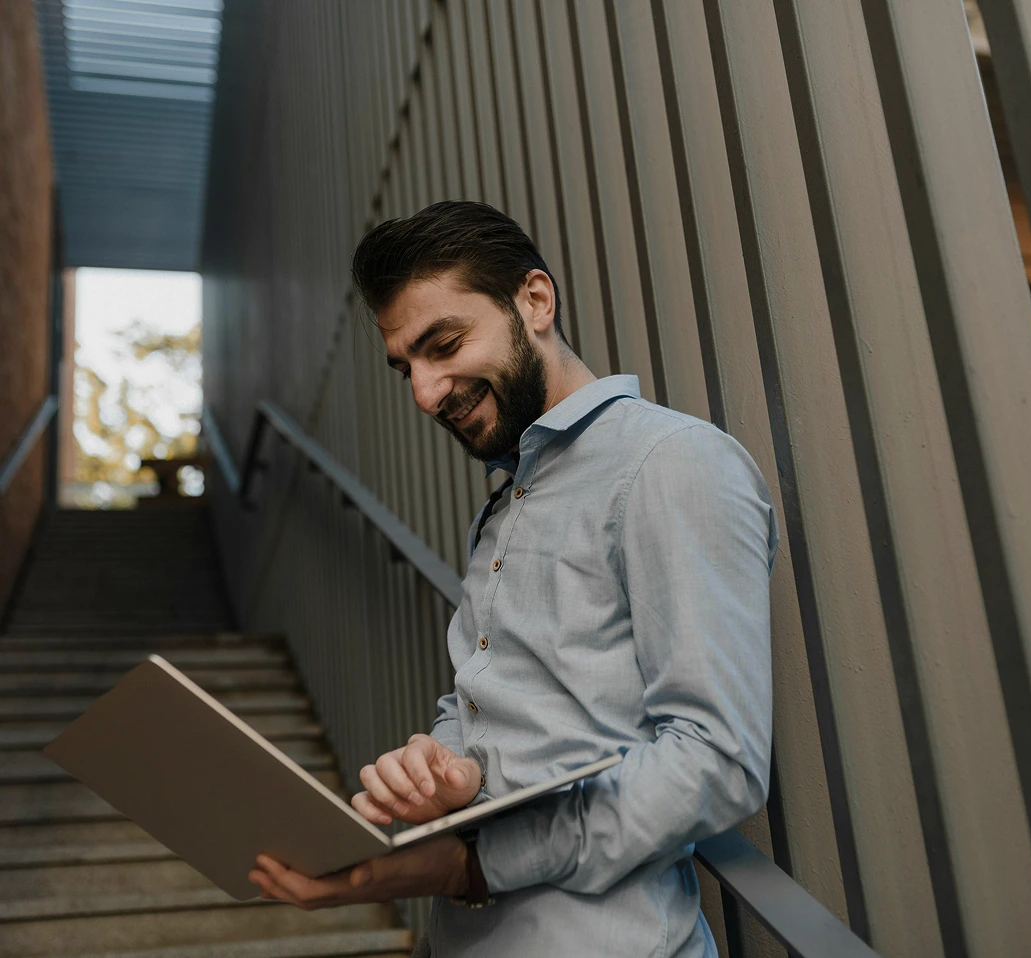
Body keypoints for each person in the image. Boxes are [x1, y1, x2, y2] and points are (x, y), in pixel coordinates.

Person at [248, 201, 778, 957]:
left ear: (534, 300)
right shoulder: (505, 502)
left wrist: (473, 864)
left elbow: (717, 761)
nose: (426, 394)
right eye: (407, 367)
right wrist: (445, 764)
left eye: (445, 345)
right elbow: (491, 699)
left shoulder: (672, 463)